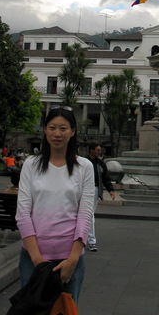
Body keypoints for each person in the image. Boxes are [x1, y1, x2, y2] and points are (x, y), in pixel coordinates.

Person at [16, 106, 94, 305]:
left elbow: (85, 214)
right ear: (45, 130)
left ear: (73, 131)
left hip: (70, 259)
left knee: (65, 309)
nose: (57, 134)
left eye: (63, 128)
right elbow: (23, 214)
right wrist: (36, 259)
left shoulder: (84, 167)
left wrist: (73, 259)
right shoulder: (31, 164)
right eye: (52, 128)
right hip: (33, 258)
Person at [86, 143, 115, 252]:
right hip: (84, 189)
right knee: (87, 214)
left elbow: (105, 177)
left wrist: (110, 189)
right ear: (91, 150)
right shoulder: (85, 162)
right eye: (97, 150)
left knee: (89, 214)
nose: (99, 152)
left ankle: (91, 240)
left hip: (94, 189)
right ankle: (89, 240)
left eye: (100, 150)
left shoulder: (100, 163)